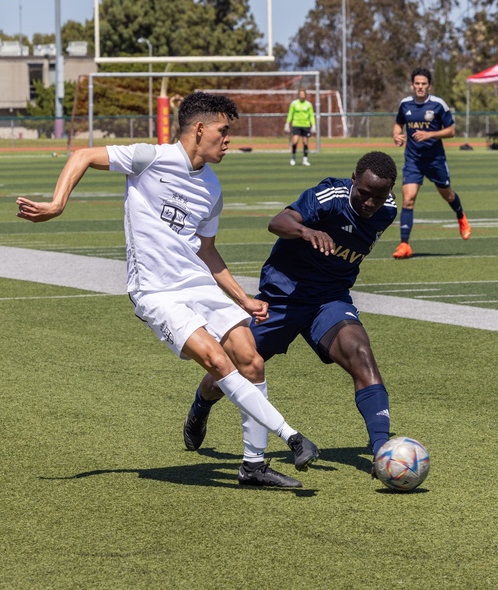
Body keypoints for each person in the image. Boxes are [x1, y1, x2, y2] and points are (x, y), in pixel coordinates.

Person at [15, 92, 320, 488]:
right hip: (156, 291)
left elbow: (206, 252)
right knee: (216, 361)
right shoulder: (151, 158)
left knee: (252, 360)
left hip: (197, 283)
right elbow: (82, 155)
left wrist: (242, 298)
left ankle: (253, 465)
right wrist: (57, 204)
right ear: (199, 129)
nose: (228, 140)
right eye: (223, 131)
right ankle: (291, 435)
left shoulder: (212, 189)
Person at [183, 152, 400, 470]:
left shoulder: (389, 210)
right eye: (364, 193)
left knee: (361, 355)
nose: (369, 203)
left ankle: (382, 450)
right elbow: (278, 222)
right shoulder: (328, 196)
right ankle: (201, 405)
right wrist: (306, 231)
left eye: (378, 197)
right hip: (282, 299)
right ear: (353, 179)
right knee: (228, 373)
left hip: (329, 301)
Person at [392, 67, 470, 259]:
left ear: (429, 86)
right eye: (417, 84)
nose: (420, 87)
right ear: (412, 85)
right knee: (408, 199)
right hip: (413, 160)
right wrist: (396, 135)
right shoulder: (405, 105)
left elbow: (451, 131)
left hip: (435, 160)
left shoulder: (438, 105)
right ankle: (404, 244)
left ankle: (460, 215)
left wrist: (430, 134)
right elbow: (398, 124)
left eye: (423, 84)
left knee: (448, 195)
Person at [285, 89, 316, 166]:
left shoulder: (308, 104)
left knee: (305, 142)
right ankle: (293, 157)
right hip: (296, 125)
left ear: (305, 95)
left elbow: (311, 115)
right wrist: (287, 123)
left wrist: (313, 125)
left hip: (306, 125)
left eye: (303, 94)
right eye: (300, 94)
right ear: (299, 95)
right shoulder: (294, 104)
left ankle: (305, 159)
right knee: (295, 141)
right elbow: (290, 114)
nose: (302, 95)